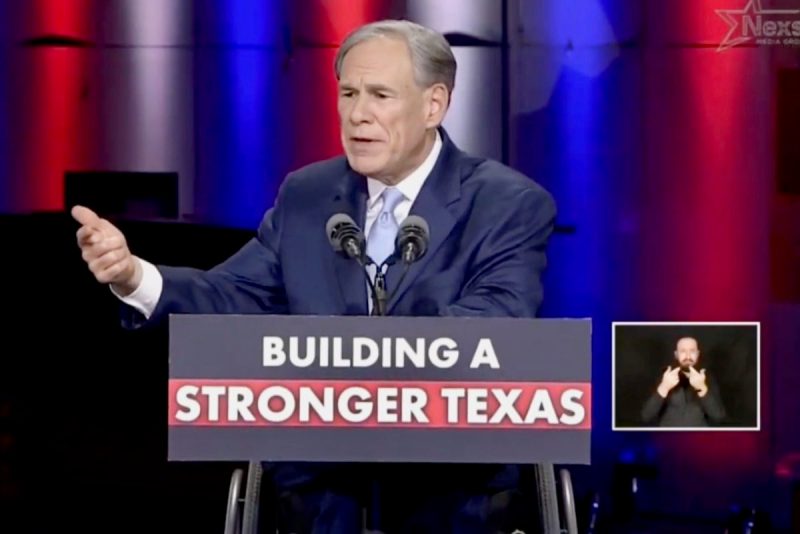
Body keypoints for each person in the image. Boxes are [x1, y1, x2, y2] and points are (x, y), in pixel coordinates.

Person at [72, 19, 557, 533]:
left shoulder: (506, 203)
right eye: (348, 92)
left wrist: (366, 367)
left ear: (434, 105)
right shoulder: (307, 195)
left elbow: (499, 323)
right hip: (322, 488)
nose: (357, 114)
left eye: (380, 95)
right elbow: (233, 294)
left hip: (449, 486)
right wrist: (133, 277)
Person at [641, 336, 726, 427]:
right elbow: (646, 416)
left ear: (697, 354)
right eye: (683, 351)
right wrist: (664, 387)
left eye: (692, 351)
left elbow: (718, 416)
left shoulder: (708, 378)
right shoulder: (664, 377)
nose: (688, 356)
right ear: (676, 355)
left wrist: (702, 388)